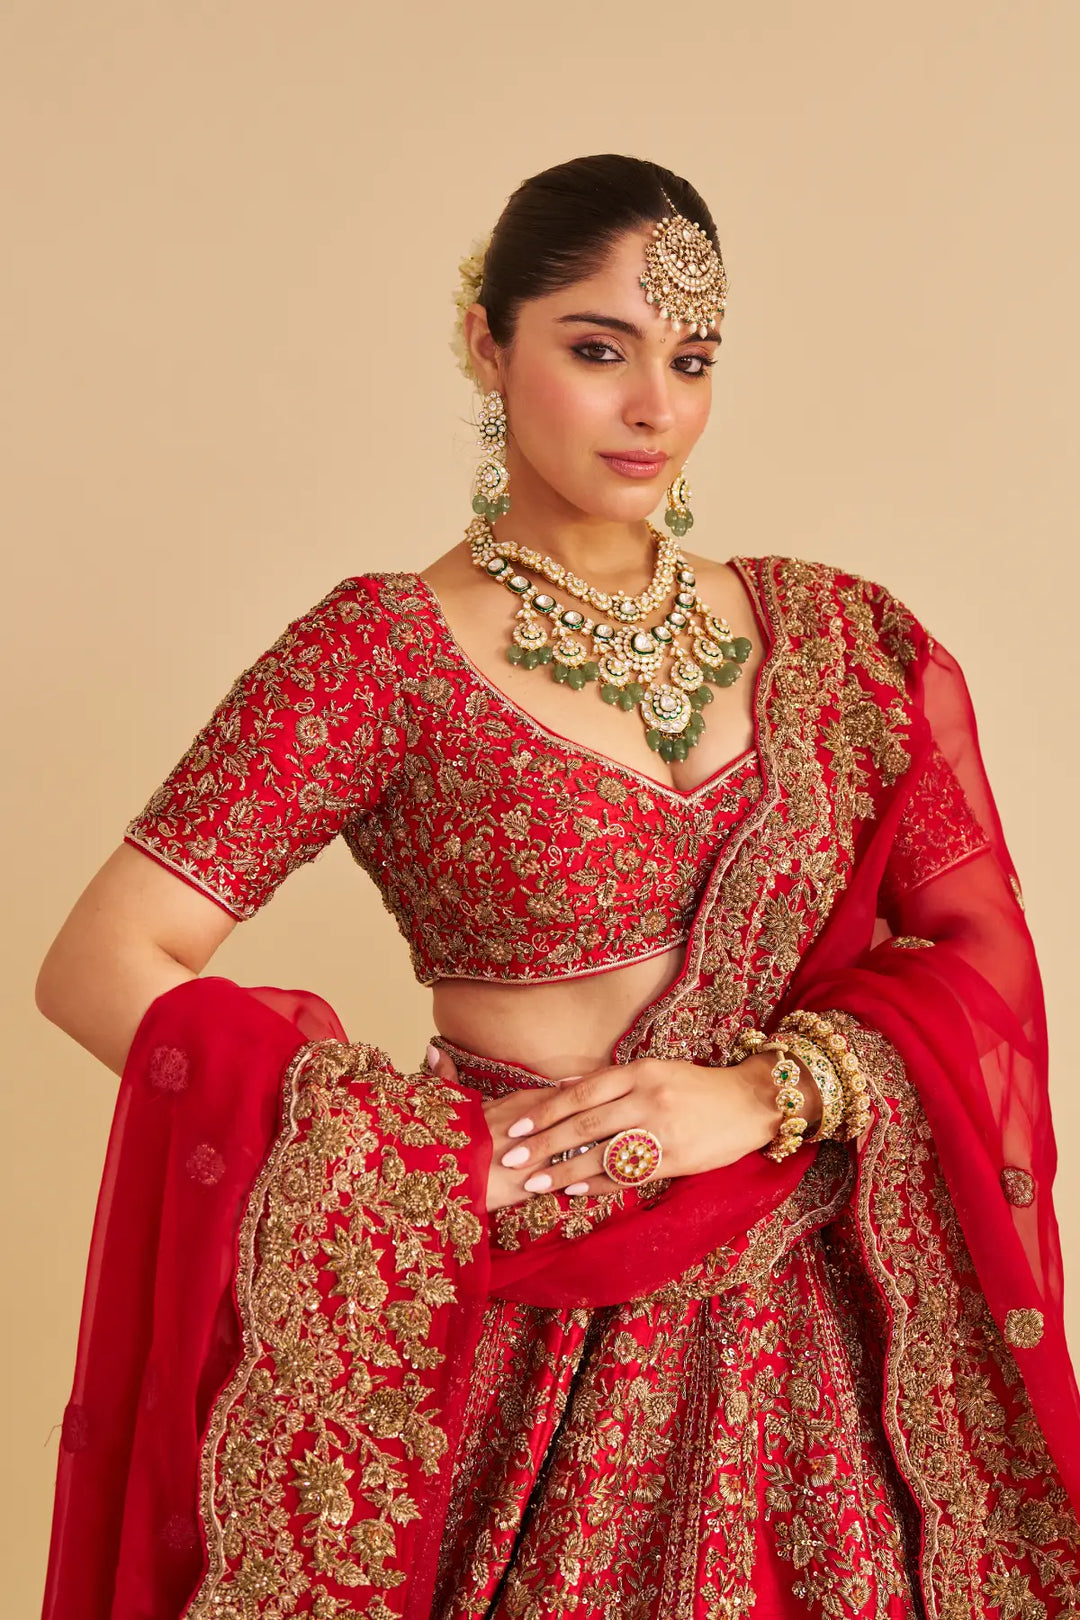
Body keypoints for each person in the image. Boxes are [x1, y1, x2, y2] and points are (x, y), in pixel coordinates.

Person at [36, 153, 1080, 1620]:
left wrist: (767, 1093)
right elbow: (101, 961)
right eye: (601, 351)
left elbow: (981, 961)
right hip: (526, 1339)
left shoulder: (844, 643)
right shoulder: (381, 656)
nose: (655, 406)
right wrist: (416, 1158)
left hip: (826, 1368)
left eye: (692, 360)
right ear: (487, 341)